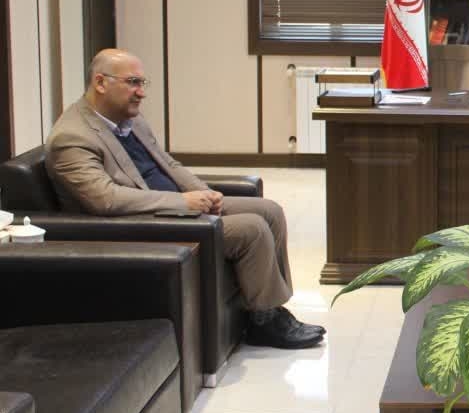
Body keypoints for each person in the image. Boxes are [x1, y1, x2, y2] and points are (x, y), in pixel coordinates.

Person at [45, 49, 325, 350]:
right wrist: (183, 203)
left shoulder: (128, 119)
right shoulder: (72, 137)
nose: (141, 92)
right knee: (252, 229)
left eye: (142, 83)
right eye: (132, 82)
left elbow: (168, 164)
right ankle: (265, 322)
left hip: (177, 206)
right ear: (100, 82)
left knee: (269, 211)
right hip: (144, 222)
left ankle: (269, 310)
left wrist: (205, 192)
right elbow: (106, 200)